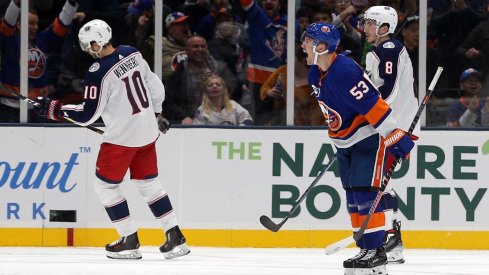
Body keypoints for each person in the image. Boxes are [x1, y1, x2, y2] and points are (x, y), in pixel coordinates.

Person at [33, 19, 190, 260]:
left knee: (105, 186)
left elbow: (88, 114)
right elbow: (155, 85)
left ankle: (129, 239)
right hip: (148, 133)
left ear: (97, 42)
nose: (87, 51)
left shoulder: (98, 73)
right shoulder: (132, 52)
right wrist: (157, 113)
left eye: (88, 45)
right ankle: (175, 236)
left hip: (121, 140)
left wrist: (56, 109)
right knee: (149, 185)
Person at [301, 22, 415, 275]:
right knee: (352, 196)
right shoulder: (314, 72)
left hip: (368, 140)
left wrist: (394, 137)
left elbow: (374, 106)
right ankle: (365, 248)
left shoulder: (345, 71)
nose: (303, 45)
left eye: (308, 41)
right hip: (345, 143)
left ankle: (376, 252)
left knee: (365, 194)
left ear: (321, 46)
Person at [362, 5, 420, 264]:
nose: (365, 28)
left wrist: (368, 113)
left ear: (384, 28)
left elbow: (390, 92)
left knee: (378, 183)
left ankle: (391, 237)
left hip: (394, 127)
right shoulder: (379, 51)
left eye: (370, 23)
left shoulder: (389, 49)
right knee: (384, 182)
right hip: (391, 125)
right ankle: (393, 238)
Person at [0, 0, 78, 122]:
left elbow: (60, 27)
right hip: (8, 107)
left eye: (36, 23)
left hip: (36, 108)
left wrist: (71, 4)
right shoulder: (10, 41)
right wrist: (15, 3)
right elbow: (7, 24)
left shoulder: (41, 41)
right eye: (31, 23)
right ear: (19, 24)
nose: (35, 27)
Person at [163, 35, 237, 125]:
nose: (200, 49)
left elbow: (235, 93)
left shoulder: (221, 69)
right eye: (195, 46)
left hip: (219, 122)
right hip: (190, 123)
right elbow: (168, 103)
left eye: (203, 46)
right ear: (187, 51)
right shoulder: (179, 73)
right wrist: (183, 117)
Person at [259, 46, 324, 126]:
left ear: (303, 59)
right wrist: (270, 92)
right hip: (281, 122)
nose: (287, 61)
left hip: (307, 128)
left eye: (291, 58)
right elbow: (264, 88)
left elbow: (317, 114)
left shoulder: (316, 79)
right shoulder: (282, 71)